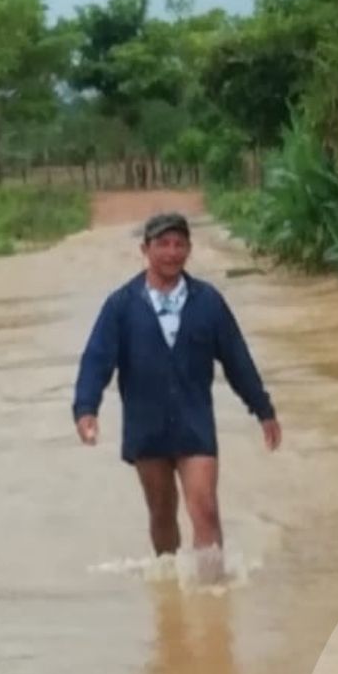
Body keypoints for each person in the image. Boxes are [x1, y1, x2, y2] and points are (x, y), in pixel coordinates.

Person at [73, 212, 280, 570]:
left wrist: (263, 409)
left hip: (194, 423)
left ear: (189, 249)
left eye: (179, 244)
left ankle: (211, 595)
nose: (172, 252)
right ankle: (170, 589)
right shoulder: (121, 305)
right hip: (146, 427)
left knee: (205, 508)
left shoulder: (208, 302)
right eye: (163, 244)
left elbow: (237, 360)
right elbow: (97, 359)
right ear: (145, 249)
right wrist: (86, 408)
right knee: (162, 515)